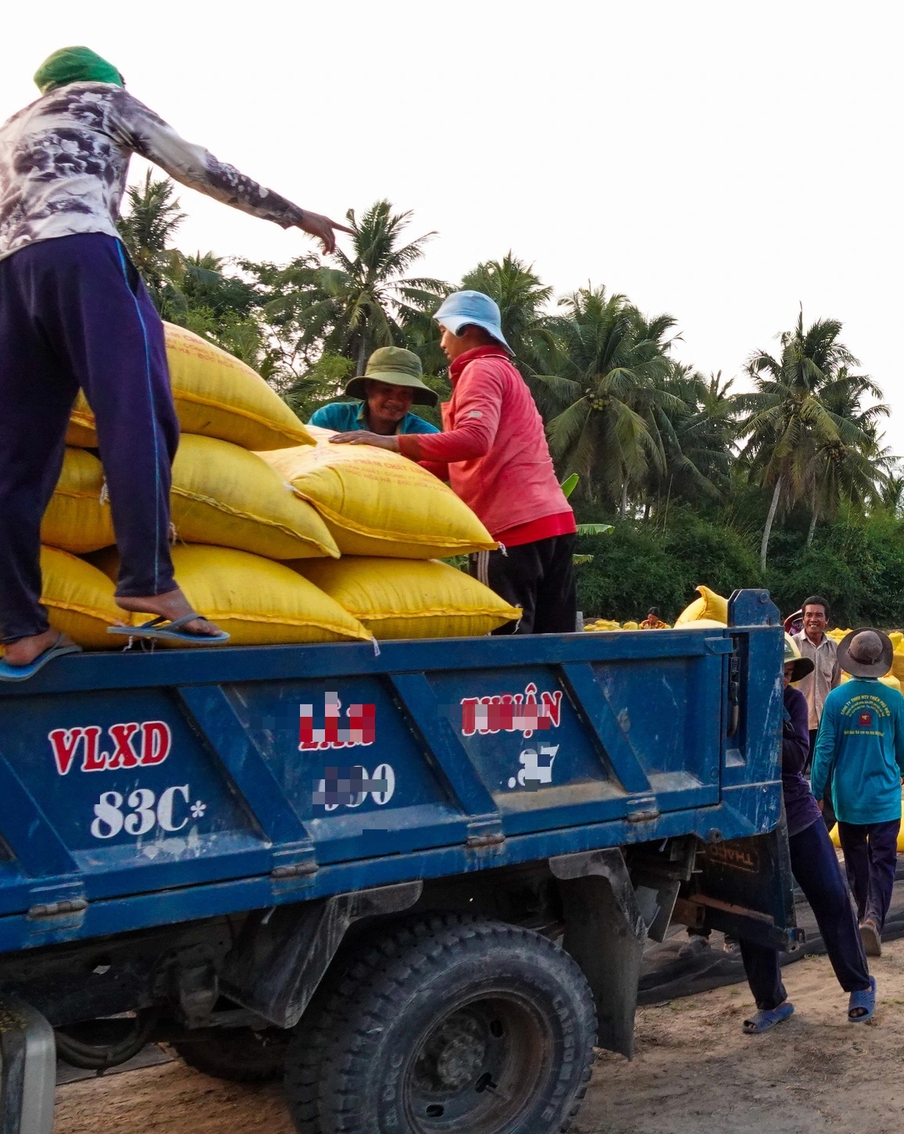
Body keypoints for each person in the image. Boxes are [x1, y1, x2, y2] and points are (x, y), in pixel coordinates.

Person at [1, 47, 344, 675]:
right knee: (139, 410)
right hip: (83, 255)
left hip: (9, 280)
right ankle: (148, 580)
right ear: (107, 80)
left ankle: (20, 629)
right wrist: (293, 215)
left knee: (14, 462)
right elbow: (198, 166)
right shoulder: (102, 99)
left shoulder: (12, 128)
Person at [330, 291, 577, 633]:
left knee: (502, 644)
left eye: (443, 330)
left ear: (465, 330)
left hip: (510, 529)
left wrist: (390, 443)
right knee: (553, 644)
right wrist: (387, 477)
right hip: (552, 523)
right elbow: (453, 463)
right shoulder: (506, 372)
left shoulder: (480, 370)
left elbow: (475, 439)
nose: (442, 341)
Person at [740, 636, 875, 1032]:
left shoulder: (792, 704)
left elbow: (797, 757)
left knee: (831, 897)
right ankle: (772, 1001)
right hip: (752, 819)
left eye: (786, 673)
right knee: (755, 911)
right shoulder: (731, 705)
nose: (781, 679)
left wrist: (759, 729)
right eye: (774, 673)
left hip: (796, 813)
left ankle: (860, 984)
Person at [811, 628, 904, 957]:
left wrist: (817, 790)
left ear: (850, 659)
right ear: (879, 661)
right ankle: (873, 919)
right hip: (884, 797)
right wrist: (901, 770)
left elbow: (824, 749)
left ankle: (861, 916)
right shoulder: (894, 699)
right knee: (884, 861)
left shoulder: (837, 699)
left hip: (848, 797)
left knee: (856, 860)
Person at [307, 346, 441, 436]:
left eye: (405, 393)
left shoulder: (425, 435)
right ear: (368, 388)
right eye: (386, 390)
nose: (395, 401)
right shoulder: (331, 417)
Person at [792, 596, 839, 750]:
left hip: (825, 723)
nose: (813, 619)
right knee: (797, 770)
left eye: (819, 615)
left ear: (827, 621)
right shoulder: (792, 645)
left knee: (822, 770)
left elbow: (835, 686)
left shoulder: (834, 648)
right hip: (796, 722)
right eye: (809, 615)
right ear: (803, 619)